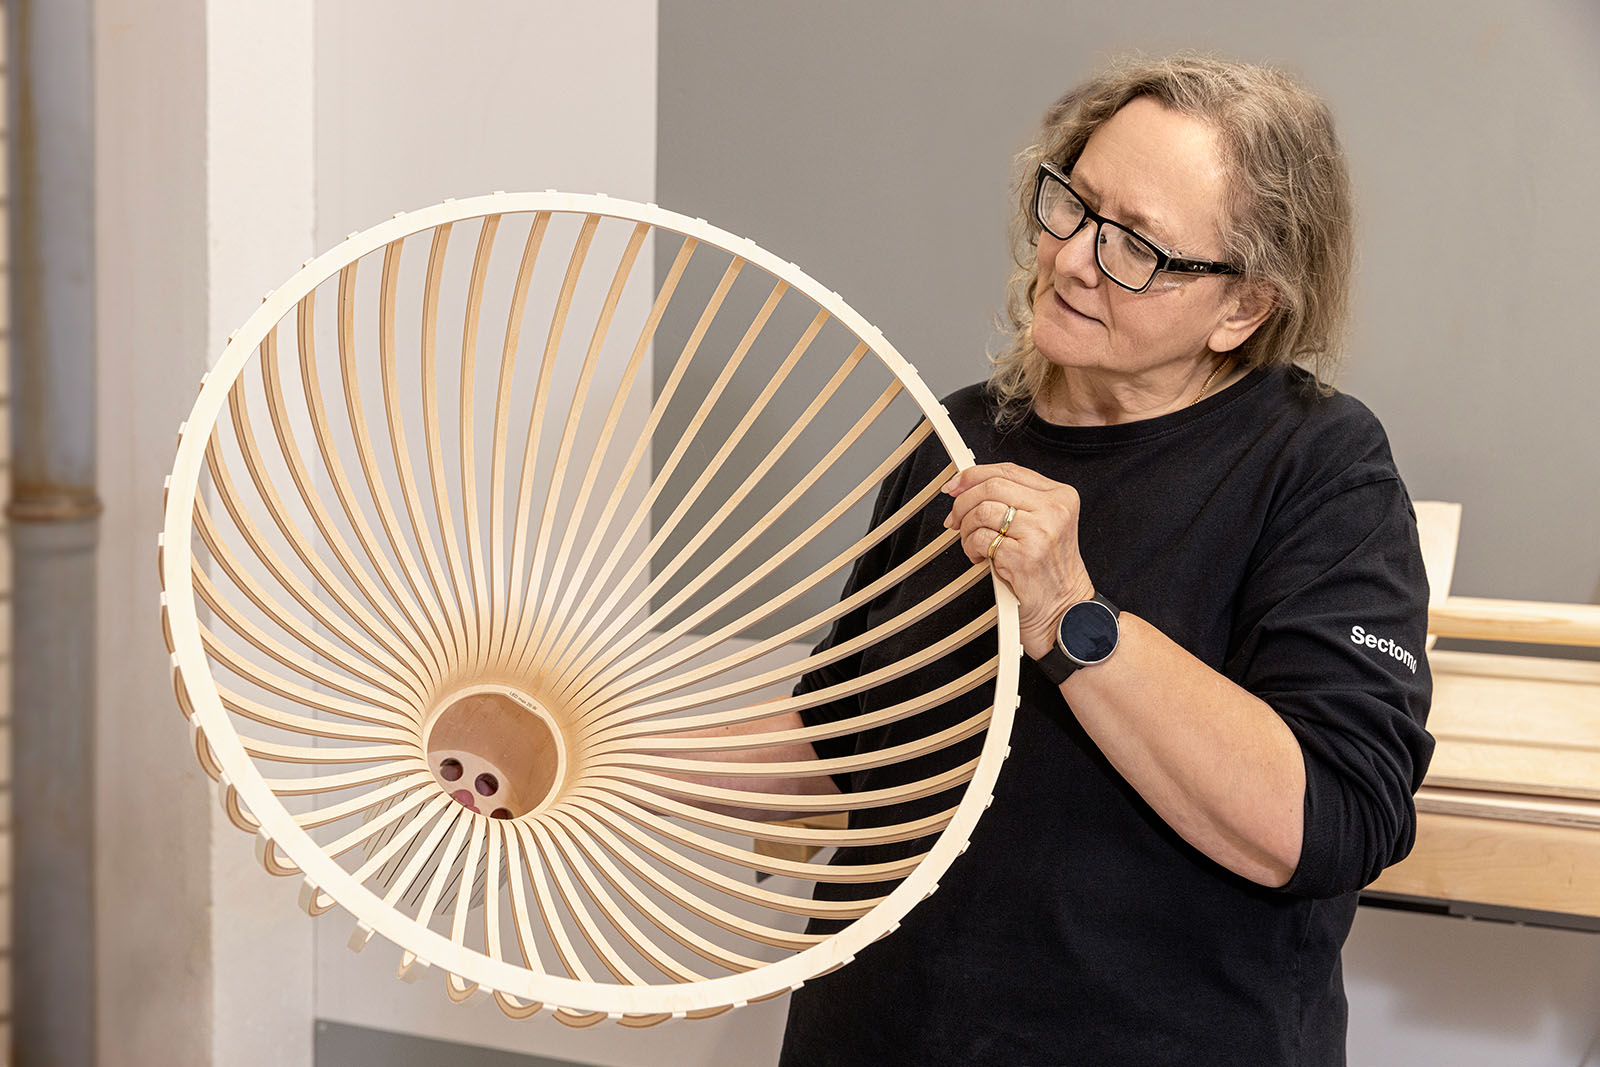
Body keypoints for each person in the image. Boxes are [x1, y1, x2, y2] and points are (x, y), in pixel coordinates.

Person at [757, 53, 1434, 1066]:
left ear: (1241, 306)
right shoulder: (960, 437)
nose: (1072, 256)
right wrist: (565, 748)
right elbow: (838, 743)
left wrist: (1072, 611)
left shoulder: (1319, 469)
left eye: (1137, 247)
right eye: (1072, 204)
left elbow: (1325, 820)